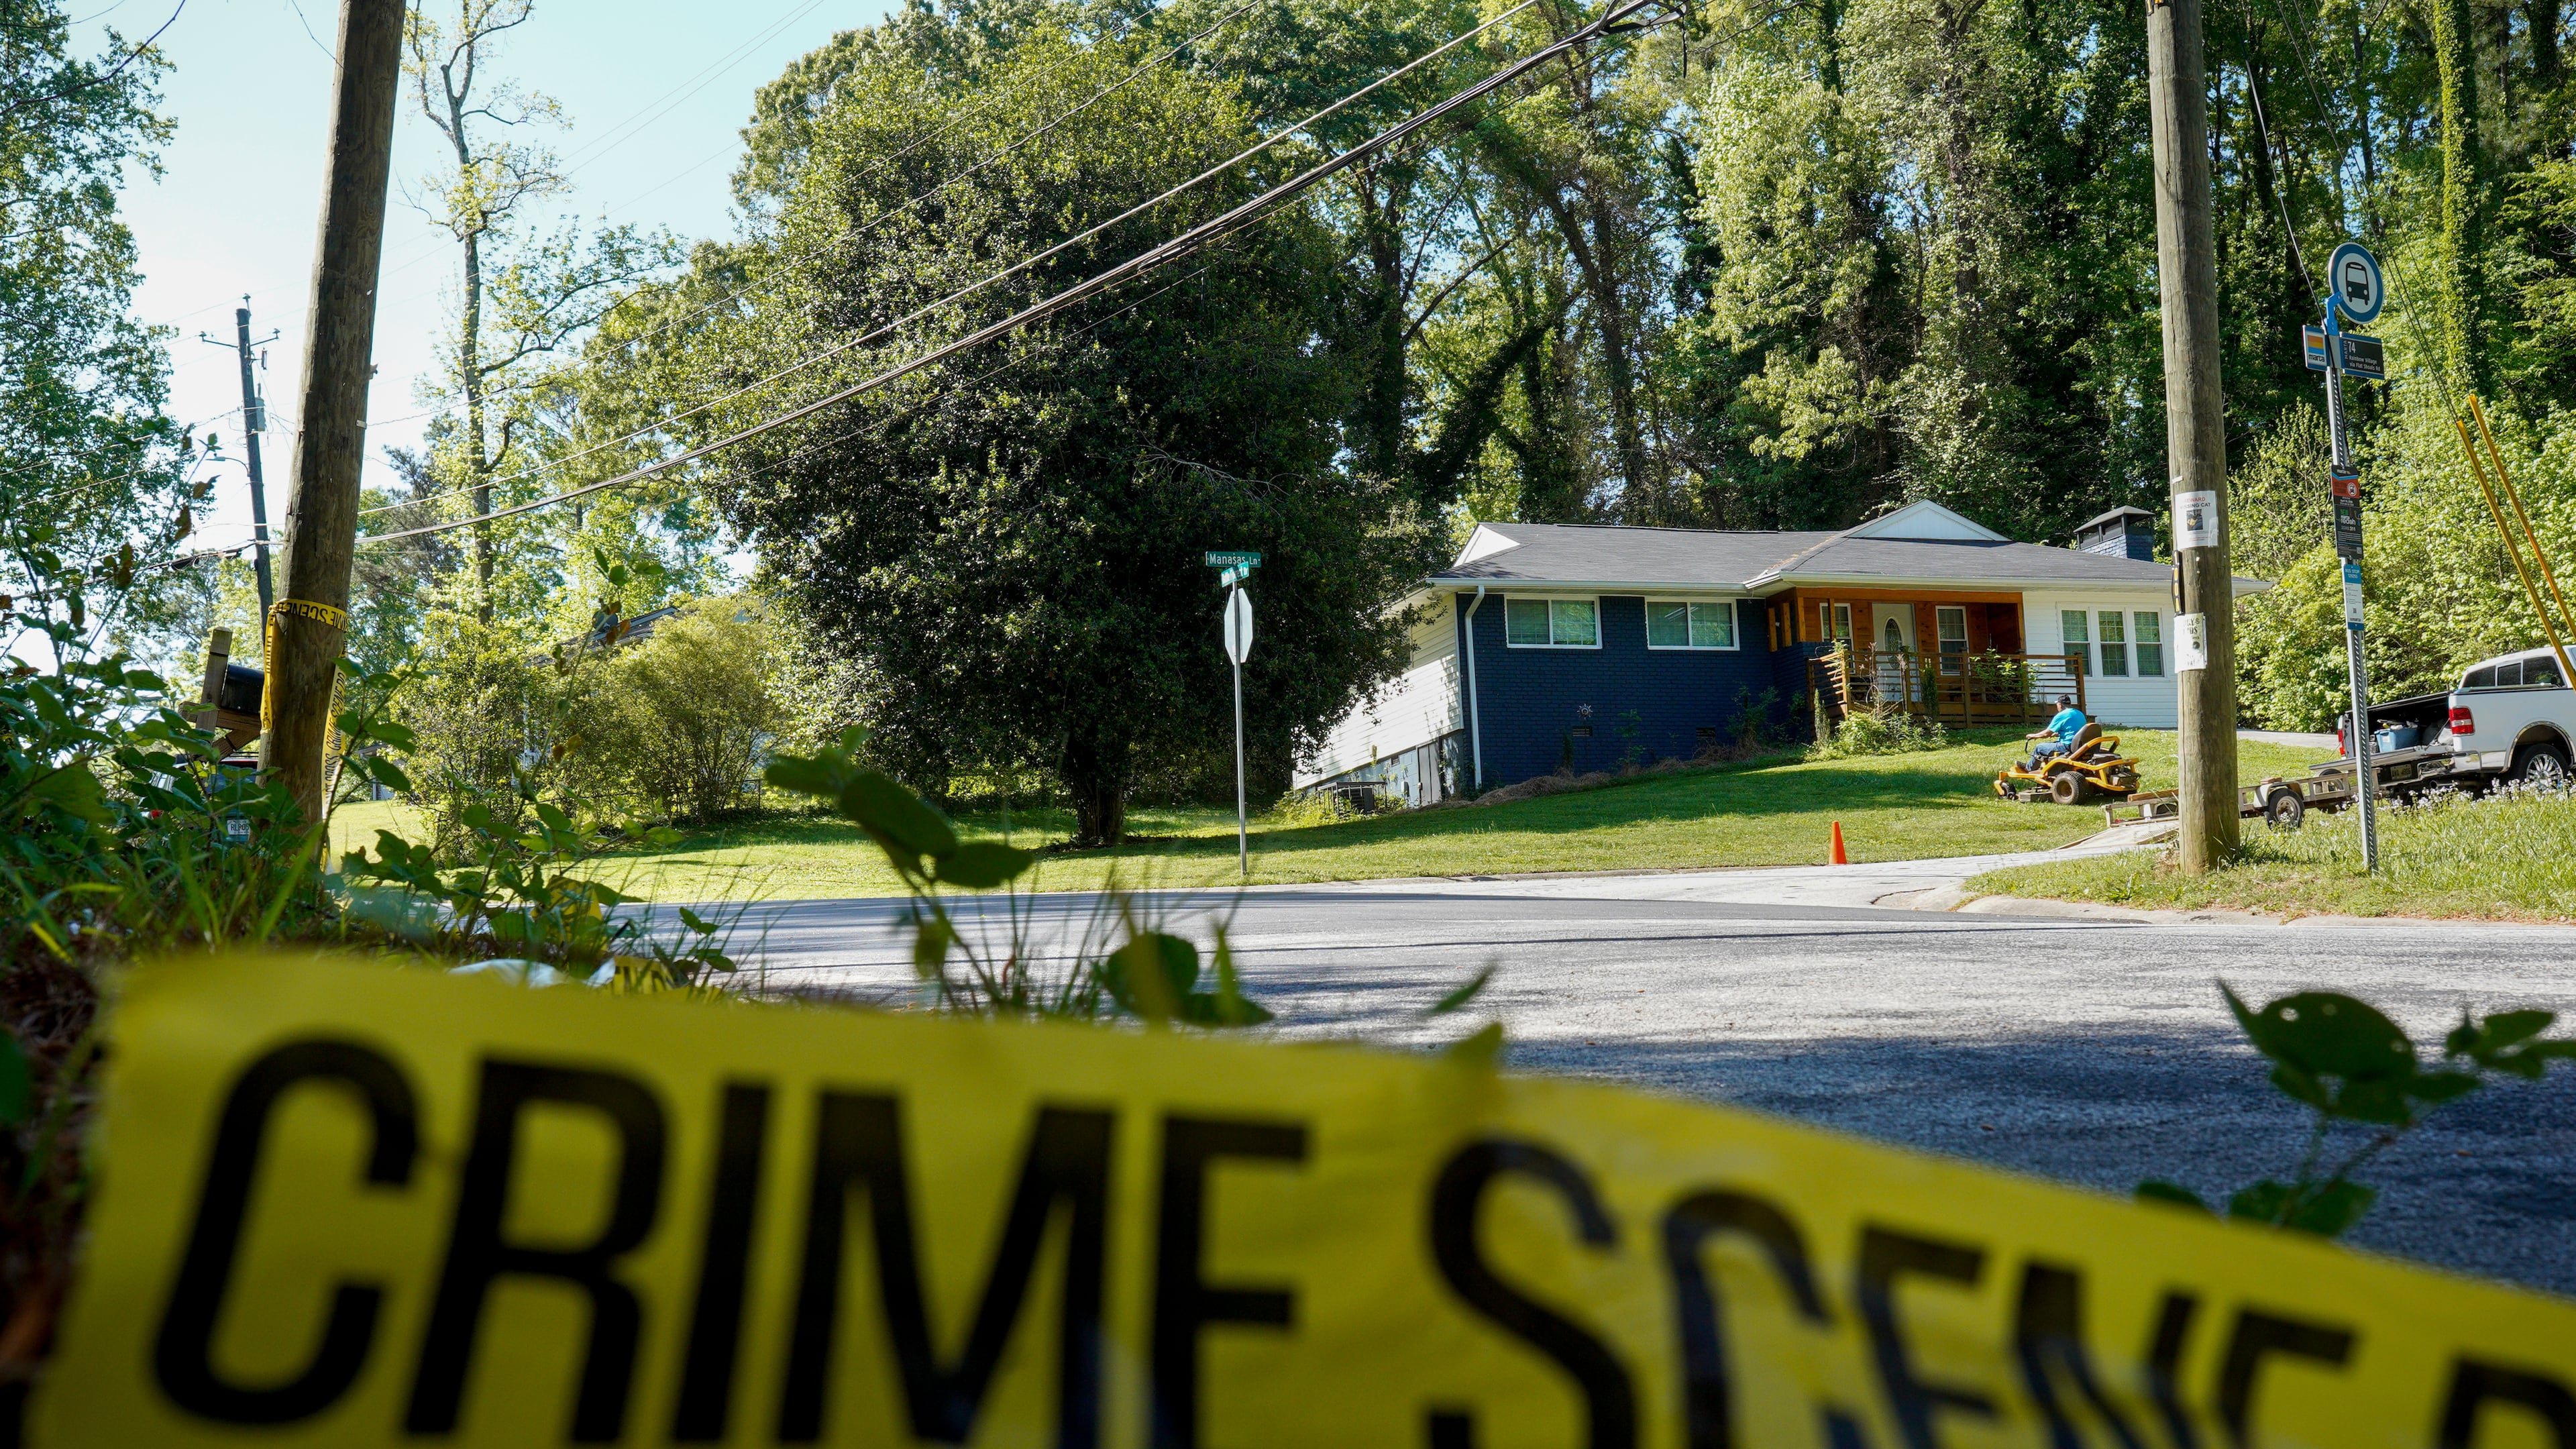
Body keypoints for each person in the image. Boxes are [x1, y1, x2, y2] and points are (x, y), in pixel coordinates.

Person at [2024, 696, 2088, 769]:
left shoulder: (2062, 715)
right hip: (2080, 745)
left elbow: (2047, 734)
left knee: (2039, 748)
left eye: (2057, 705)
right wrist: (2058, 733)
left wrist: (2034, 736)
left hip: (2067, 746)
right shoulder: (2079, 713)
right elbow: (2075, 729)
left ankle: (2028, 768)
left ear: (2060, 705)